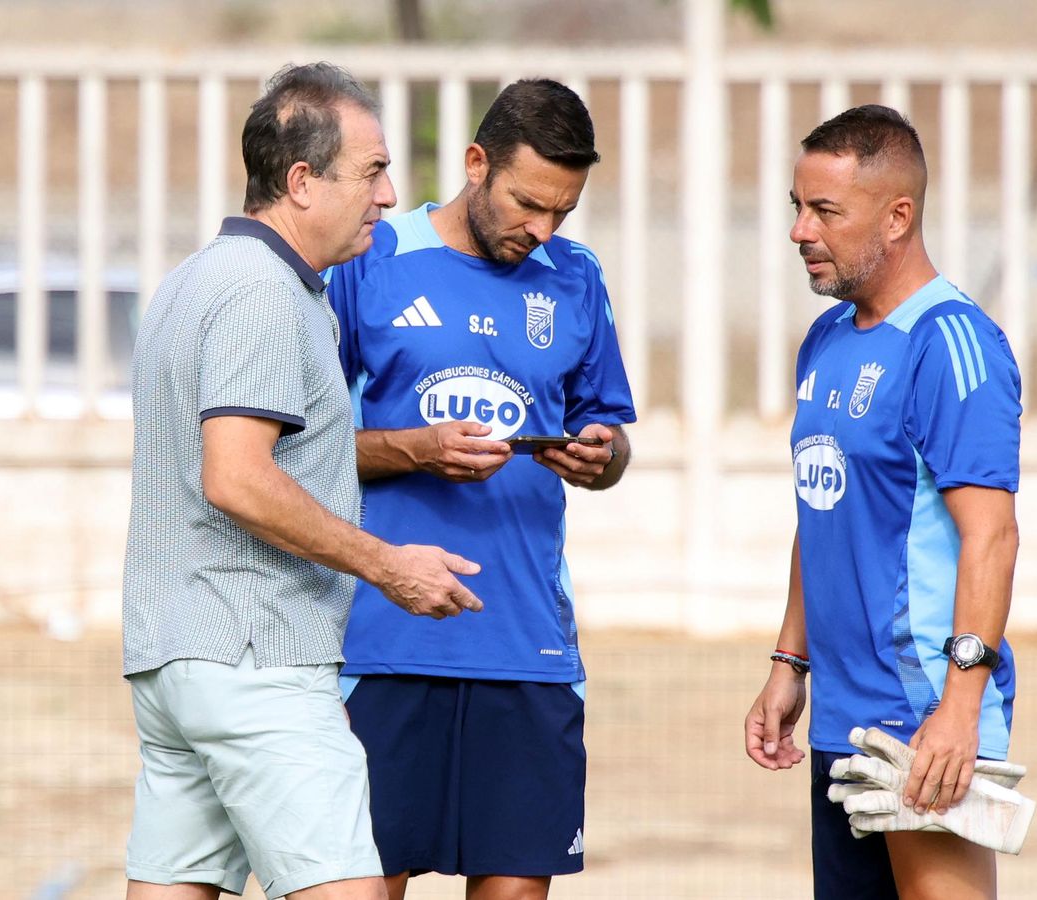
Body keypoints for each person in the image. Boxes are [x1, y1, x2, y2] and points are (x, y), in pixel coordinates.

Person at [121, 62, 486, 900]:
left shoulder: (193, 280)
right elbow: (237, 479)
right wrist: (388, 564)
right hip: (258, 661)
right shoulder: (264, 294)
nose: (390, 194)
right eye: (372, 171)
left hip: (174, 662)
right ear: (300, 182)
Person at [325, 78, 636, 900]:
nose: (543, 230)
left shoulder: (574, 278)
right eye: (529, 203)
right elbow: (301, 452)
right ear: (475, 164)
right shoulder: (373, 259)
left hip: (528, 647)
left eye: (562, 212)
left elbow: (613, 441)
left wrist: (601, 457)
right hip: (384, 644)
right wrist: (416, 449)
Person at [742, 105, 1023, 900]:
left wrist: (960, 707)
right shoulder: (827, 339)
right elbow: (820, 507)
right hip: (841, 718)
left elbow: (992, 536)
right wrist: (789, 663)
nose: (800, 230)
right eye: (796, 207)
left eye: (824, 211)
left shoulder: (950, 343)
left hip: (922, 723)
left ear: (898, 216)